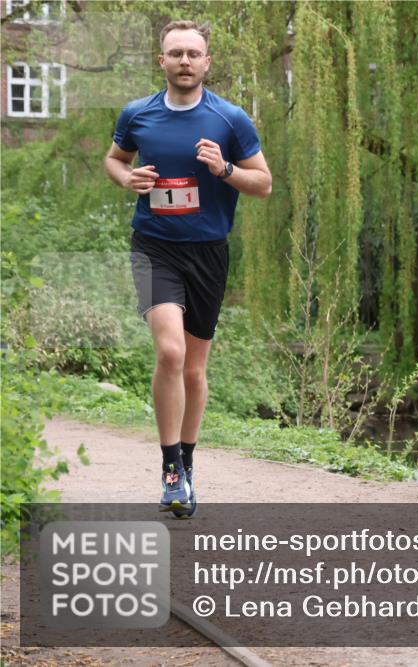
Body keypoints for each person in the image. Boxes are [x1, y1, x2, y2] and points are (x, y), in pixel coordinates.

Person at [104, 20, 272, 517]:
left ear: (206, 62)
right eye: (174, 53)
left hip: (209, 251)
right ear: (162, 61)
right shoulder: (138, 114)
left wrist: (223, 169)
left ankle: (188, 463)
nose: (183, 61)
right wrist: (126, 178)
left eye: (192, 54)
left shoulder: (230, 119)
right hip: (155, 246)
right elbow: (114, 159)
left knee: (195, 370)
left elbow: (263, 184)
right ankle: (170, 468)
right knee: (171, 352)